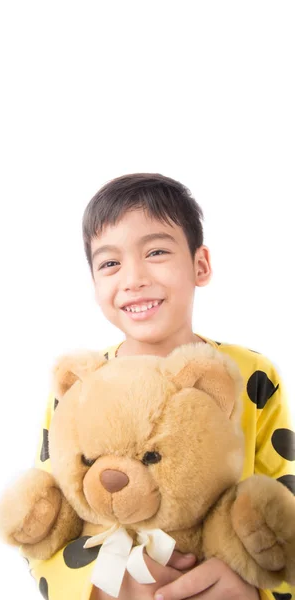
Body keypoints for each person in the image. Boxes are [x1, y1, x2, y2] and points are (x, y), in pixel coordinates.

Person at [28, 173, 295, 600]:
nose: (132, 278)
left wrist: (254, 592)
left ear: (200, 265)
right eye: (110, 263)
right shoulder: (81, 387)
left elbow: (286, 504)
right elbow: (41, 522)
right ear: (94, 283)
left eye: (156, 252)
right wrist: (110, 583)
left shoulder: (252, 375)